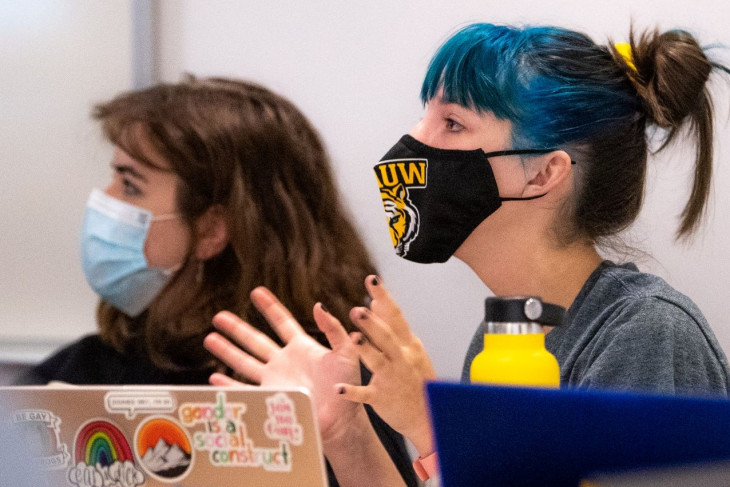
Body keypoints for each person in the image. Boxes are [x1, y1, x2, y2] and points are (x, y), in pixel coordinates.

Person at [203, 22, 730, 485]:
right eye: (424, 117)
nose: (413, 141)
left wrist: (431, 427)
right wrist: (345, 431)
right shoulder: (506, 334)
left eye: (451, 124)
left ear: (544, 173)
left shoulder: (647, 335)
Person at [14, 76, 417, 486]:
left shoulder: (329, 386)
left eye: (130, 184)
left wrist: (346, 438)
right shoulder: (86, 369)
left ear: (211, 229)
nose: (104, 199)